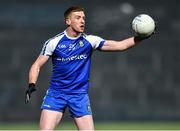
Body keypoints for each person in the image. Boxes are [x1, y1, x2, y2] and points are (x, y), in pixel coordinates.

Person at [25, 6, 154, 130]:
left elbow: (120, 46)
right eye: (78, 17)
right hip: (56, 95)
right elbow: (36, 65)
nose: (82, 21)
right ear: (68, 21)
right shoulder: (53, 42)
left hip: (79, 96)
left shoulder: (90, 41)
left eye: (83, 18)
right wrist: (32, 84)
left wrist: (141, 37)